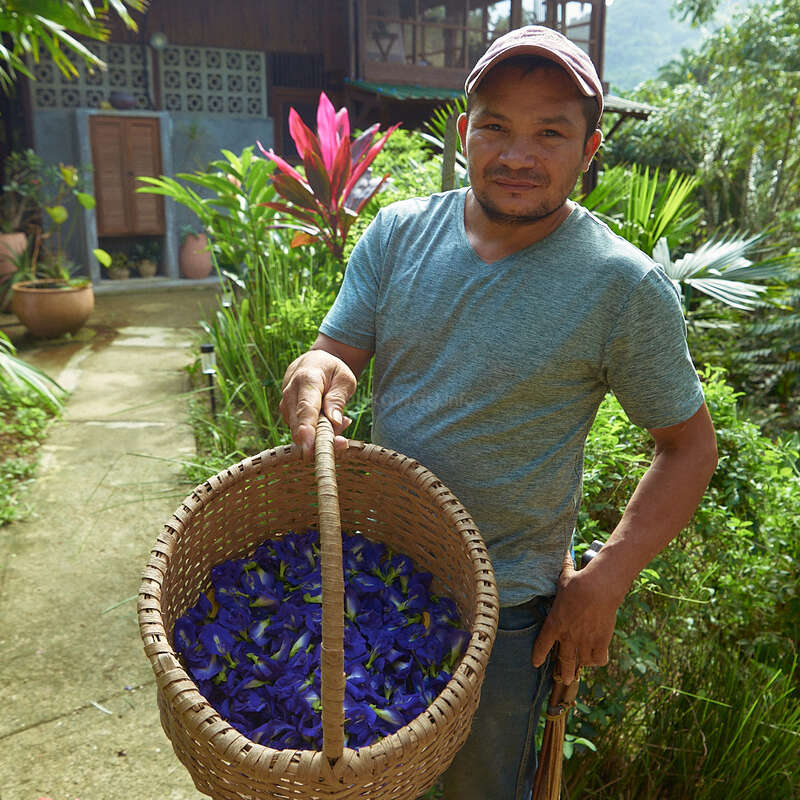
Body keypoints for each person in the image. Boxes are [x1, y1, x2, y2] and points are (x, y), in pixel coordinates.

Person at [280, 25, 718, 800]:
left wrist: (606, 579)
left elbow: (688, 447)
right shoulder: (398, 233)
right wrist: (317, 368)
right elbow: (338, 355)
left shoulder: (622, 286)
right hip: (378, 579)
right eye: (497, 127)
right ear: (464, 134)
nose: (519, 155)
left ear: (588, 152)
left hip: (507, 614)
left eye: (551, 132)